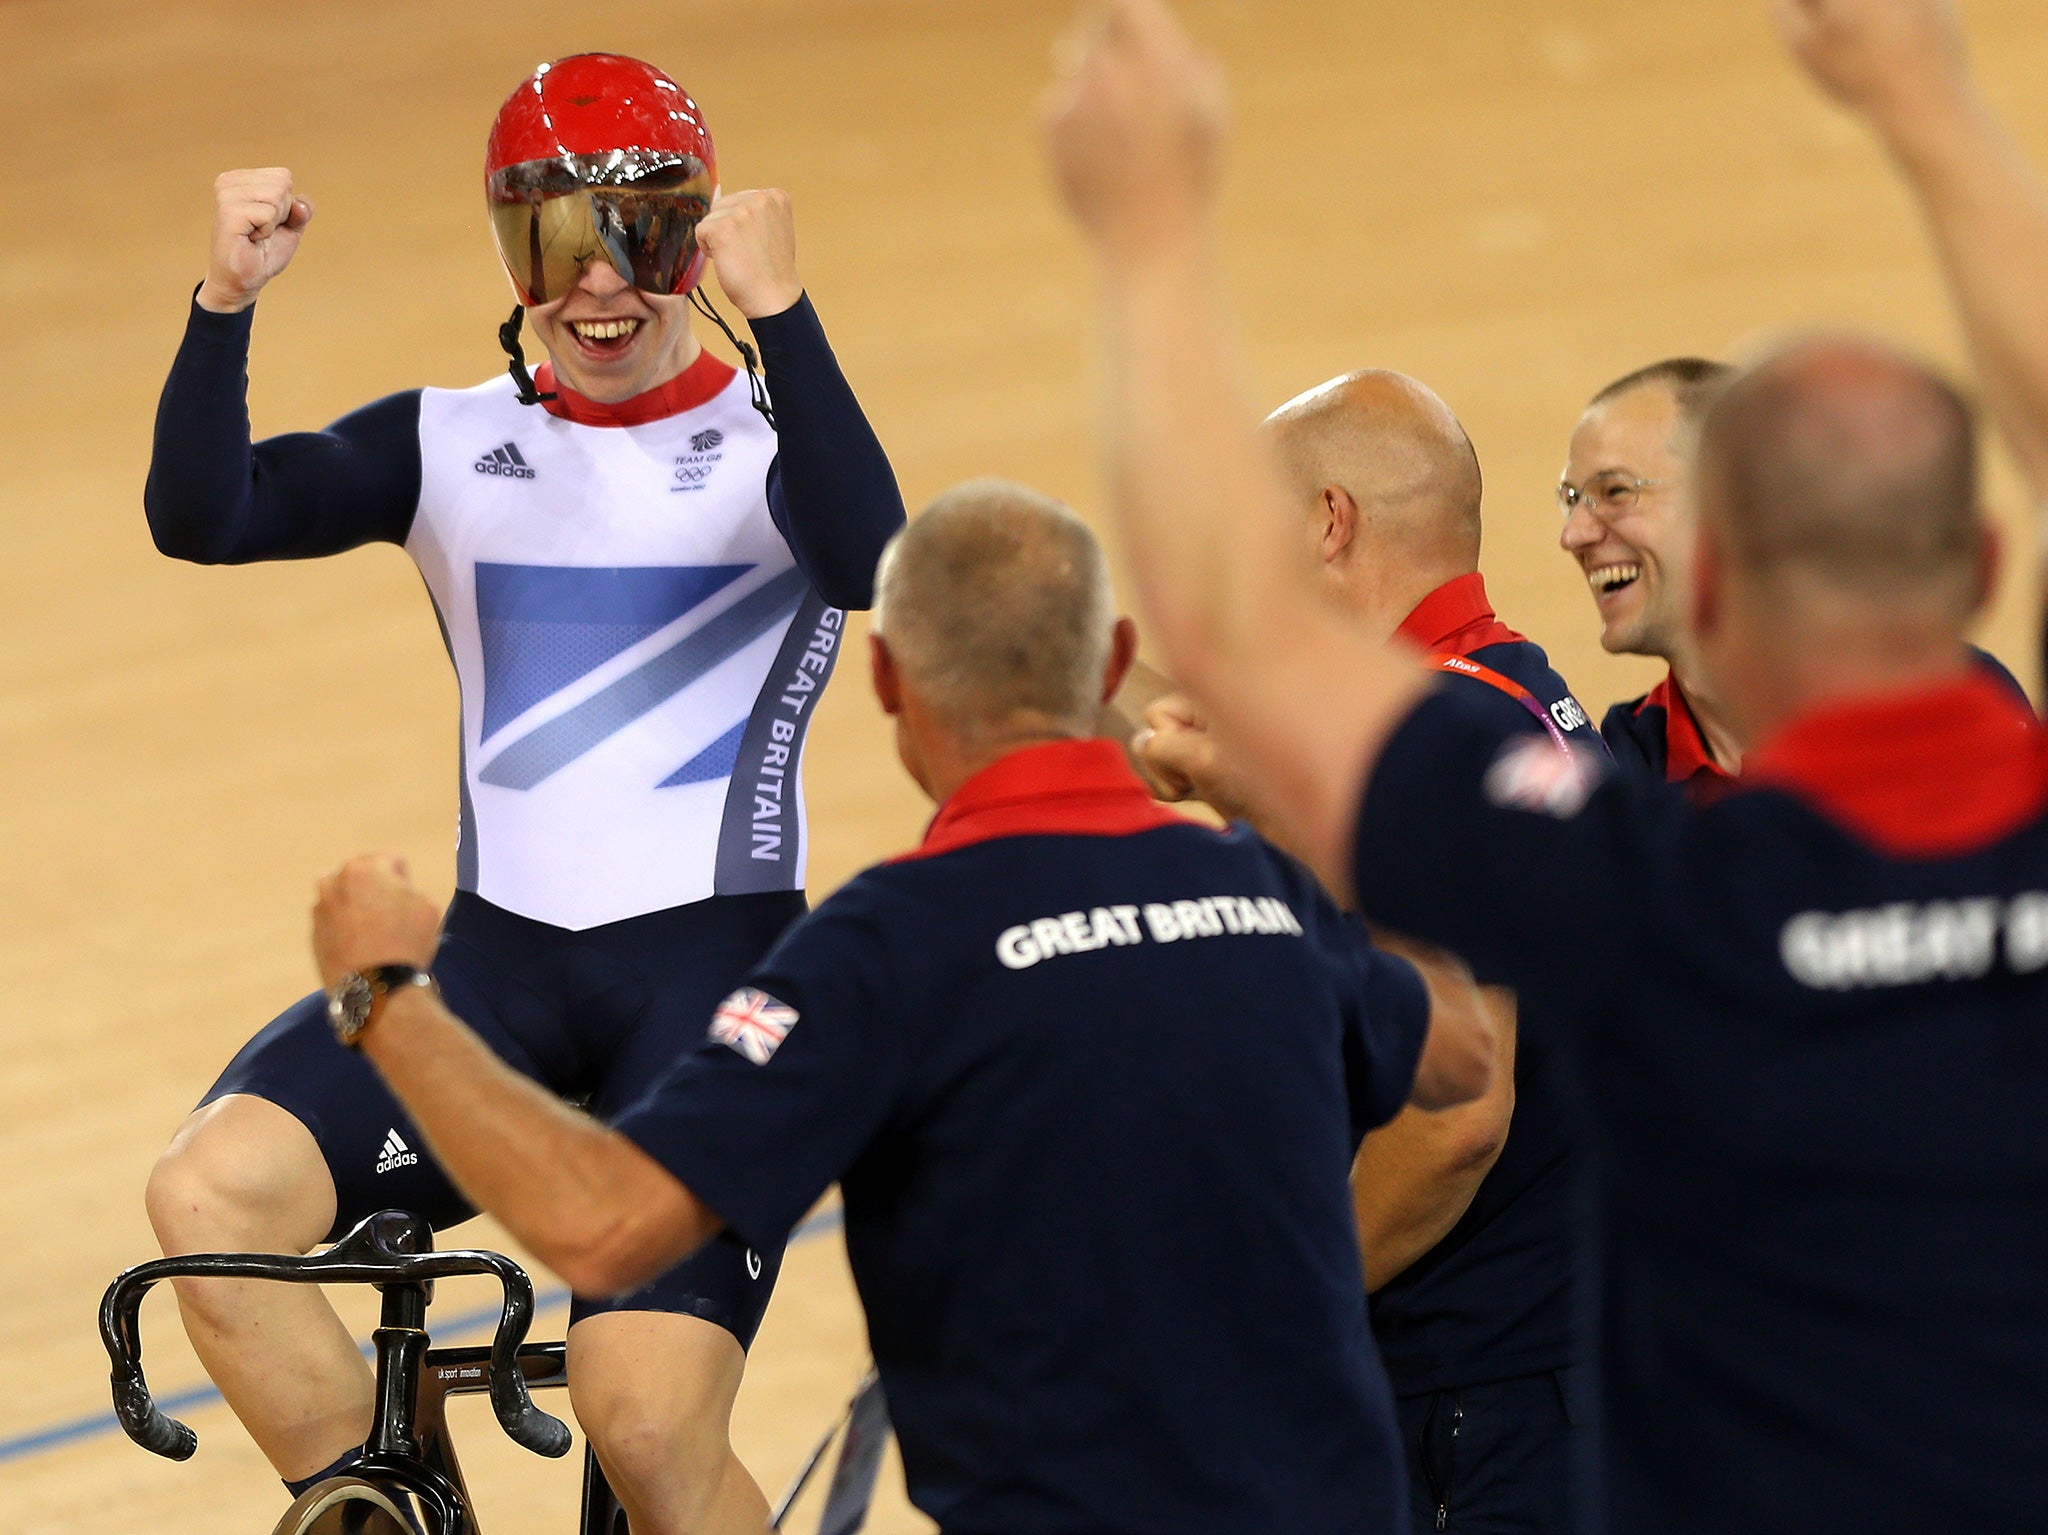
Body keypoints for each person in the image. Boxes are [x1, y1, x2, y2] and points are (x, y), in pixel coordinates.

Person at [1043, 0, 2048, 1529]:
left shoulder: (1634, 869)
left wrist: (1149, 227)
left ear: (1715, 590)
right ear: (1980, 559)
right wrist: (1934, 109)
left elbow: (1249, 636)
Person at [303, 481, 1497, 1535]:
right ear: (1112, 654)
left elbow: (601, 1225)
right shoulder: (1262, 889)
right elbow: (1459, 1051)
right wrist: (1277, 807)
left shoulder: (883, 951)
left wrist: (390, 997)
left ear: (883, 676)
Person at [140, 54, 905, 1535]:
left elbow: (874, 560)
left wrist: (790, 317)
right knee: (206, 1202)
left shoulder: (775, 447)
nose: (600, 284)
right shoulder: (447, 445)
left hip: (719, 989)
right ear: (510, 256)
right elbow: (204, 514)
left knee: (637, 1412)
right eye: (556, 242)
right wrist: (223, 301)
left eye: (646, 238)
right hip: (496, 974)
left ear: (703, 245)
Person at [1137, 371, 1597, 1534]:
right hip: (1529, 1362)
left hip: (1484, 1392)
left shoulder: (1435, 737)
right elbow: (1193, 732)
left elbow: (1457, 1115)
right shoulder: (1500, 702)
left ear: (1326, 523)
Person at [1561, 357, 2027, 784]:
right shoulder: (1626, 761)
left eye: (1614, 492)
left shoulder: (1938, 702)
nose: (1574, 534)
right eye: (1571, 500)